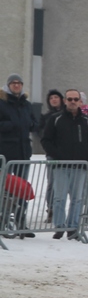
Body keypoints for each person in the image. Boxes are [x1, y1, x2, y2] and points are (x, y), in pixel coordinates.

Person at [40, 89, 88, 240]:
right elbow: (45, 140)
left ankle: (72, 227)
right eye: (70, 99)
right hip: (61, 166)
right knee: (59, 197)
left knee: (77, 199)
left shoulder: (86, 121)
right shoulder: (55, 119)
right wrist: (57, 155)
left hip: (80, 166)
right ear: (65, 101)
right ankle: (60, 226)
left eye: (75, 99)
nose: (72, 102)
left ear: (80, 101)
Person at [0, 74, 38, 237]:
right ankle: (3, 221)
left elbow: (35, 122)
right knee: (5, 190)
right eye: (13, 83)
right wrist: (11, 124)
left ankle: (21, 221)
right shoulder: (2, 103)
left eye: (19, 83)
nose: (16, 85)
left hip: (23, 152)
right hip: (6, 152)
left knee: (22, 190)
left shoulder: (26, 104)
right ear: (8, 85)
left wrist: (32, 124)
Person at [40, 89, 64, 222]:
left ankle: (61, 210)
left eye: (56, 97)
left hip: (66, 154)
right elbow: (43, 136)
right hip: (52, 155)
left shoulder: (66, 114)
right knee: (52, 183)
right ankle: (51, 209)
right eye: (51, 98)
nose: (54, 100)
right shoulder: (47, 117)